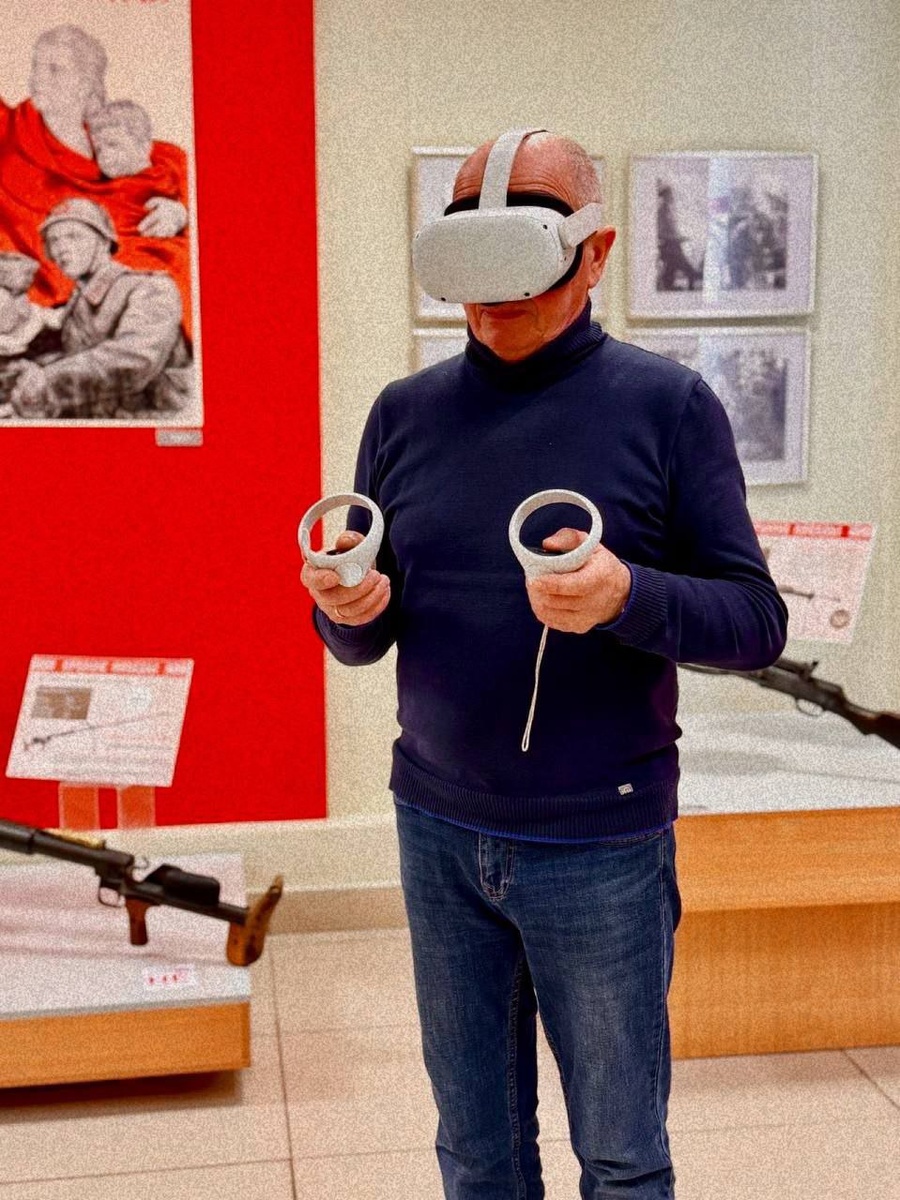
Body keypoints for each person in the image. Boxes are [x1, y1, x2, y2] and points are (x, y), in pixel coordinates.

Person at [300, 129, 788, 1199]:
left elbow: (756, 621)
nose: (494, 306)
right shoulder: (404, 414)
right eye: (472, 280)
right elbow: (363, 632)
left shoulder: (668, 408)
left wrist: (628, 596)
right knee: (476, 1150)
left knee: (619, 1156)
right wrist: (343, 606)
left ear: (596, 252)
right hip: (436, 826)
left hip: (600, 842)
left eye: (522, 274)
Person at [0, 25, 192, 336]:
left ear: (85, 84)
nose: (37, 78)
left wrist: (180, 211)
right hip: (46, 275)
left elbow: (177, 170)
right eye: (36, 66)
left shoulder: (112, 132)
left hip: (130, 264)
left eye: (55, 70)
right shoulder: (10, 130)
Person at [9, 198, 190, 419]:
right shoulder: (79, 298)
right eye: (54, 240)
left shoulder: (151, 288)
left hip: (151, 416)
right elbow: (76, 353)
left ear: (104, 242)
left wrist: (47, 379)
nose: (61, 248)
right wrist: (29, 368)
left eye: (73, 236)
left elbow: (135, 358)